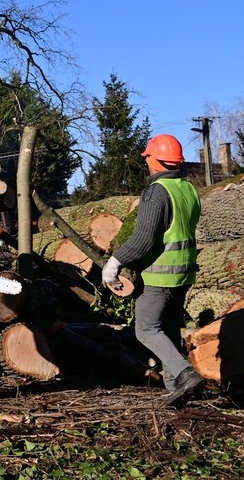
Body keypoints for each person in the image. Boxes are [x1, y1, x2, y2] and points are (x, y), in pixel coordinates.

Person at [101, 134, 204, 407]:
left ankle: (184, 373)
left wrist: (116, 262)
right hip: (183, 274)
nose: (146, 164)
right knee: (169, 329)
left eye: (148, 158)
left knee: (145, 330)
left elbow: (145, 239)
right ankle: (176, 387)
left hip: (159, 274)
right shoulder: (188, 189)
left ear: (154, 160)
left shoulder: (156, 192)